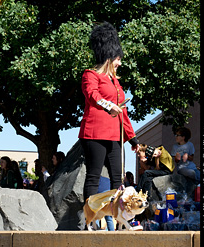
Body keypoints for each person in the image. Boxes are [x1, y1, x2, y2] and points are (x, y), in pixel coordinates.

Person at [78, 22, 139, 202]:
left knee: (117, 178)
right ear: (109, 58)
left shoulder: (117, 84)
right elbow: (91, 94)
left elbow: (123, 113)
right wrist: (107, 105)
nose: (120, 63)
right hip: (94, 134)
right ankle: (90, 221)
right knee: (93, 176)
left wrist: (132, 138)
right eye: (118, 59)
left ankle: (114, 216)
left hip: (114, 136)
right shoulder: (90, 74)